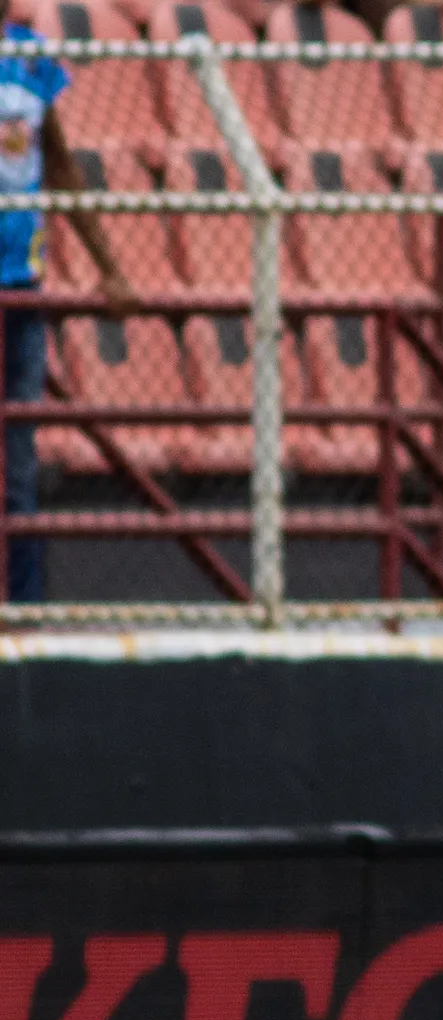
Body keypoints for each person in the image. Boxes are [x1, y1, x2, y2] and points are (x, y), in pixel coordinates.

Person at [0, 8, 134, 602]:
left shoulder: (29, 59)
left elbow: (57, 161)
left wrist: (108, 265)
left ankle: (25, 611)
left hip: (20, 284)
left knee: (19, 464)